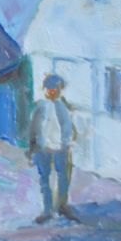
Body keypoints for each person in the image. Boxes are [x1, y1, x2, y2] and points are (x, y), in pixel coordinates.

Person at [27, 74, 76, 224]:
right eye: (50, 89)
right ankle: (47, 210)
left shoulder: (64, 107)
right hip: (43, 148)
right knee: (44, 179)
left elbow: (69, 127)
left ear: (60, 90)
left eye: (56, 89)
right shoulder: (40, 107)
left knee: (63, 177)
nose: (53, 91)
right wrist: (32, 148)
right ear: (45, 90)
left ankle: (61, 206)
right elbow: (33, 128)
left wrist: (68, 143)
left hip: (61, 147)